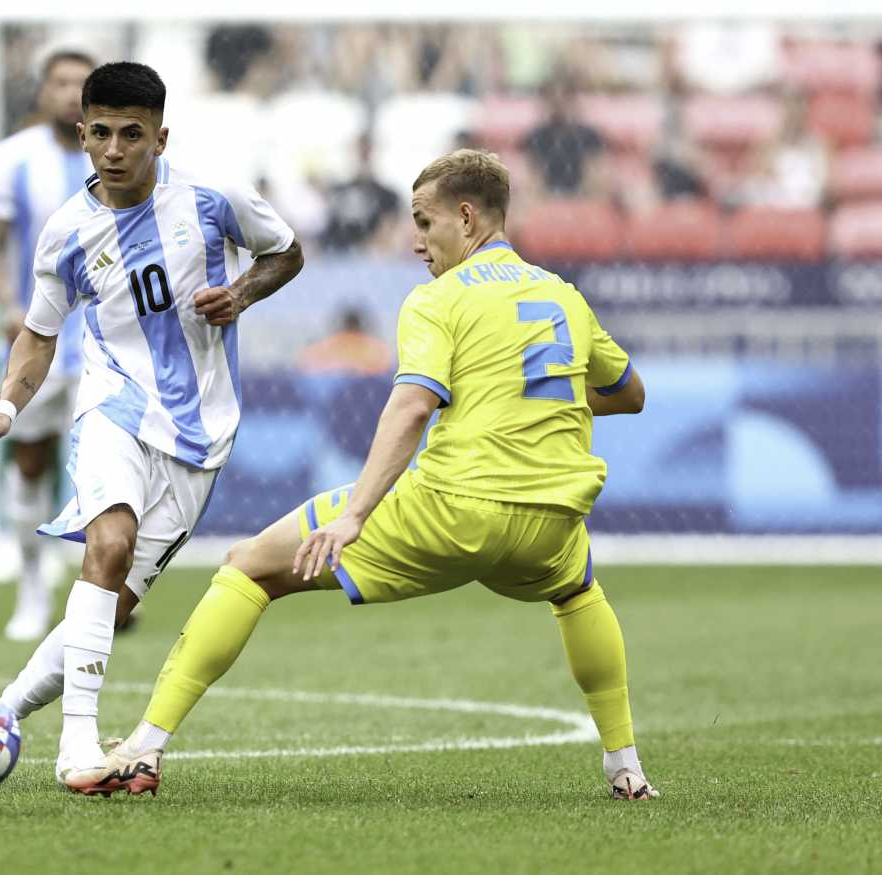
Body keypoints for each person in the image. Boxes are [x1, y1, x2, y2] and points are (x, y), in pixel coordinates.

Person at [88, 148, 657, 802]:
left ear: (467, 218)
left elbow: (411, 406)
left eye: (425, 222)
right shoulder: (563, 296)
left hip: (452, 507)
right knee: (579, 594)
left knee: (250, 566)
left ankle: (143, 747)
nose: (416, 241)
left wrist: (355, 513)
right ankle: (626, 768)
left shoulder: (437, 300)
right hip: (548, 521)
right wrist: (524, 401)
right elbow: (630, 392)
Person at [0, 61, 304, 788]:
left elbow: (287, 250)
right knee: (107, 543)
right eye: (102, 134)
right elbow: (39, 331)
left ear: (160, 137)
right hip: (112, 406)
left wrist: (242, 292)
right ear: (82, 134)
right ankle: (77, 747)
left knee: (109, 605)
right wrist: (5, 405)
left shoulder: (213, 197)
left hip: (201, 432)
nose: (115, 150)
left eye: (132, 135)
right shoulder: (66, 232)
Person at [0, 49, 96, 642]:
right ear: (43, 90)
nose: (70, 92)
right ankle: (30, 588)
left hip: (107, 347)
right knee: (30, 460)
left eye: (82, 83)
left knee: (106, 472)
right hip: (37, 339)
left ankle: (103, 595)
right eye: (61, 82)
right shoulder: (13, 160)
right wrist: (4, 304)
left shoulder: (121, 159)